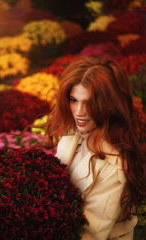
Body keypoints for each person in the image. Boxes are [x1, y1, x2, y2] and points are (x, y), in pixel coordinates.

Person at [45, 56, 146, 240]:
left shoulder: (113, 167)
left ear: (109, 105)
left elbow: (88, 235)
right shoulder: (72, 132)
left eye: (89, 103)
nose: (79, 112)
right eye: (74, 100)